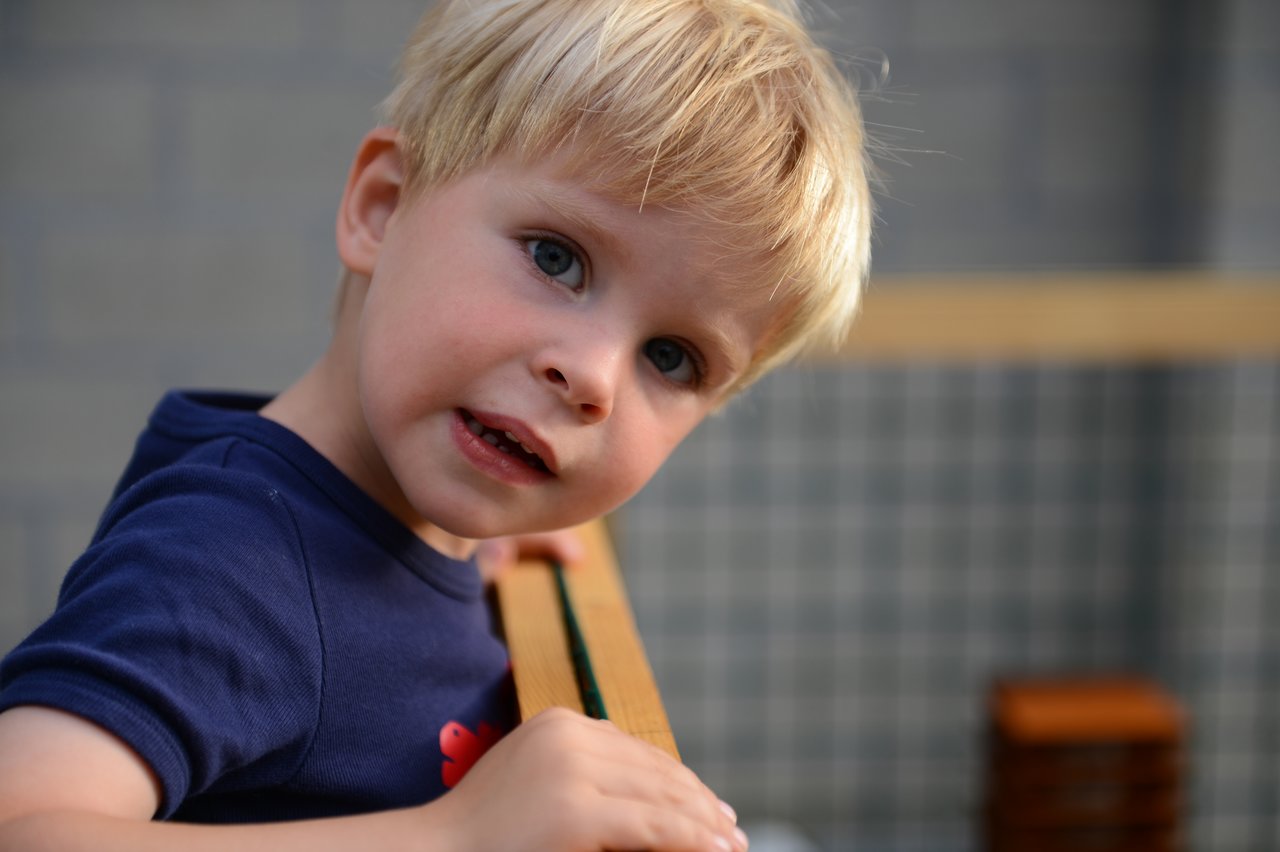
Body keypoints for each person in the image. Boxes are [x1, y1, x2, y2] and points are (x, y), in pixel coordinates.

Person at [0, 0, 873, 849]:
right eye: (556, 258)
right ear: (381, 208)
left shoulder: (387, 520)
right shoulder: (231, 568)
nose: (594, 380)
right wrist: (454, 838)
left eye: (671, 357)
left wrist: (474, 544)